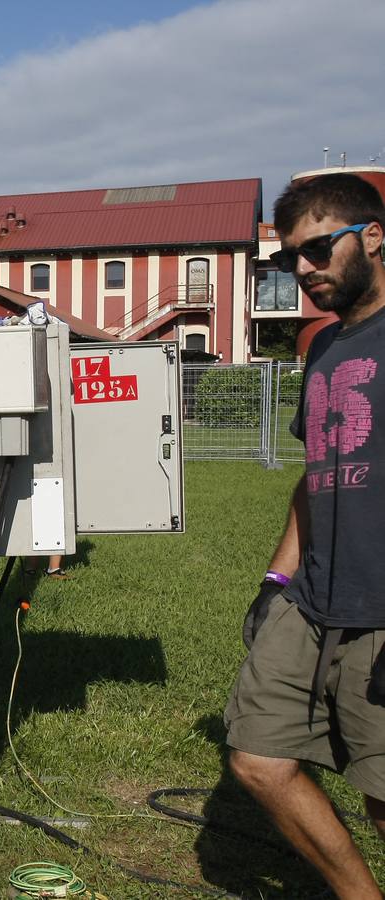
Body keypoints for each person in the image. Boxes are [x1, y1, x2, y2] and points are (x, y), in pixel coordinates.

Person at [226, 173, 385, 898]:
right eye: (291, 257)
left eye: (318, 249)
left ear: (373, 237)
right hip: (312, 601)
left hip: (380, 613)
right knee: (258, 758)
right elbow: (314, 478)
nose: (303, 270)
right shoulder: (323, 348)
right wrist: (275, 582)